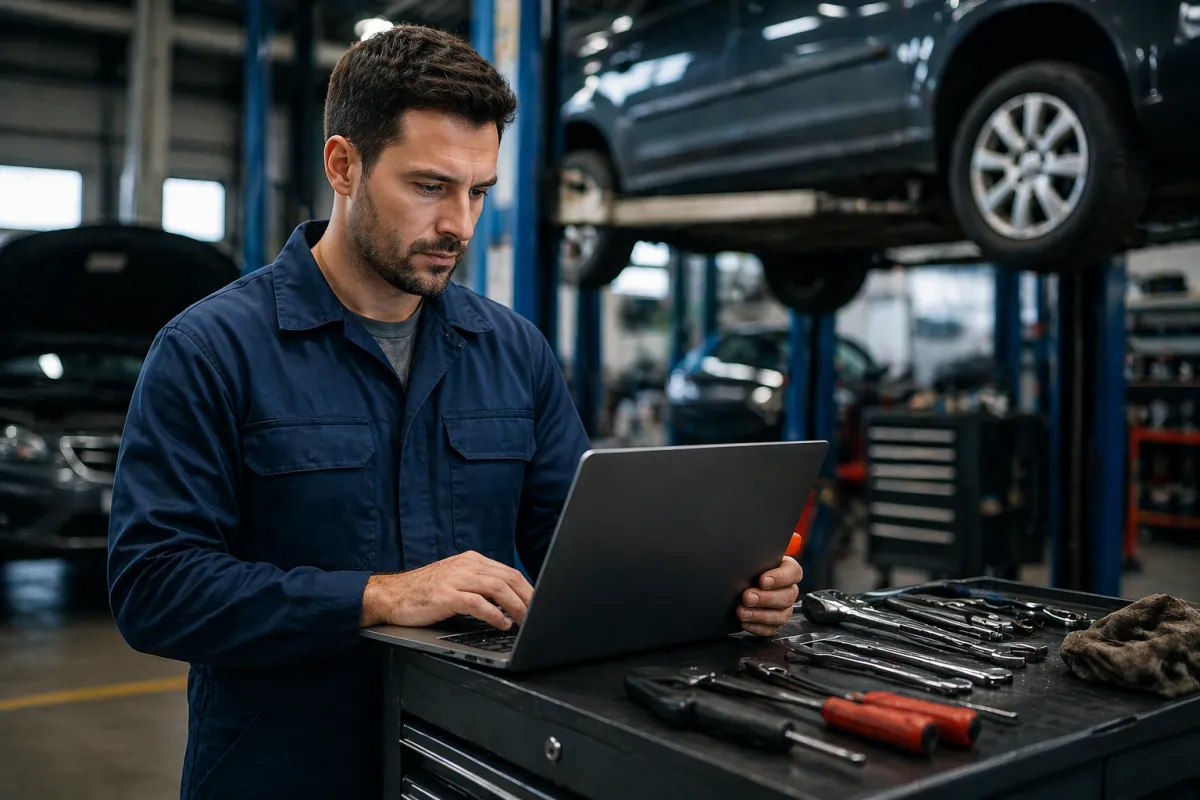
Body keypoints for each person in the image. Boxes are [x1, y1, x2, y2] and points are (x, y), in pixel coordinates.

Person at [107, 24, 804, 800]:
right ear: (343, 165)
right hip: (284, 773)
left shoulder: (512, 351)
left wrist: (722, 589)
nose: (461, 227)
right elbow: (154, 588)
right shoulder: (211, 350)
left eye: (479, 192)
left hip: (467, 768)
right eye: (430, 187)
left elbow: (578, 553)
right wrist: (380, 596)